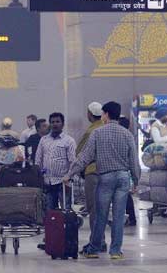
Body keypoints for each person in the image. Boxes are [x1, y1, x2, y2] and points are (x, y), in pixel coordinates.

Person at [64, 102, 138, 260]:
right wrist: (136, 180)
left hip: (105, 177)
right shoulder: (127, 134)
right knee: (118, 216)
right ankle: (116, 251)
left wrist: (70, 174)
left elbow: (84, 157)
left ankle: (93, 249)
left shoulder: (97, 133)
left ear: (105, 114)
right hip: (123, 177)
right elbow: (134, 161)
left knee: (100, 215)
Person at [77, 102, 104, 252]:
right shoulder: (106, 128)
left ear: (90, 114)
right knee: (102, 209)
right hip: (107, 173)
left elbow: (80, 153)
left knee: (93, 209)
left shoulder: (91, 131)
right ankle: (102, 240)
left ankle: (95, 243)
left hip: (92, 173)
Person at [35, 113, 76, 211]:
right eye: (52, 122)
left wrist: (69, 177)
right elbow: (38, 159)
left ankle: (66, 226)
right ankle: (52, 227)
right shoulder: (44, 140)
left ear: (62, 124)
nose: (55, 124)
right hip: (48, 182)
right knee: (49, 211)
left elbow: (73, 162)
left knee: (66, 211)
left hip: (63, 182)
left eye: (57, 122)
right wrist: (40, 175)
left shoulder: (69, 141)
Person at [118, 116, 138, 227]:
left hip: (123, 172)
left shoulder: (123, 136)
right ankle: (131, 218)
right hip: (127, 172)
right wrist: (135, 178)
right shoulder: (128, 136)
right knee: (126, 196)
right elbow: (133, 160)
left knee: (125, 197)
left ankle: (129, 218)